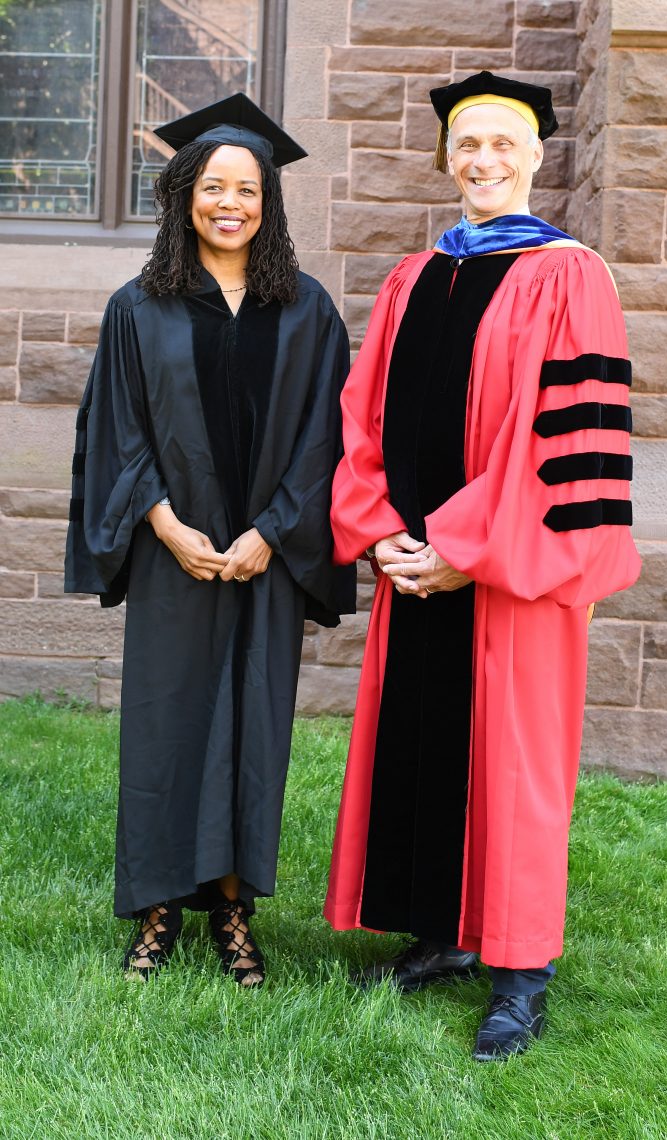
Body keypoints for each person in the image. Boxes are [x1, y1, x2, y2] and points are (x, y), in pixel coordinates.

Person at [325, 72, 641, 1058]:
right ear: (445, 159)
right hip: (412, 566)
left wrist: (463, 553)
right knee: (422, 741)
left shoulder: (569, 275)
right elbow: (362, 418)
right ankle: (438, 936)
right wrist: (378, 531)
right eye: (467, 145)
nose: (484, 162)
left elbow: (565, 448)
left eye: (504, 144)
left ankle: (518, 970)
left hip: (510, 571)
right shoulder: (415, 279)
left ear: (536, 158)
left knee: (514, 765)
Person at [65, 93, 355, 985]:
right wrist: (161, 520)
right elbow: (117, 429)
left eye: (249, 190)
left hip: (264, 562)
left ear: (268, 205)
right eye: (213, 186)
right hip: (172, 555)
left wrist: (273, 533)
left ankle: (231, 906)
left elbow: (326, 438)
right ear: (184, 191)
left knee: (251, 731)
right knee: (165, 727)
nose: (231, 203)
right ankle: (157, 908)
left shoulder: (306, 311)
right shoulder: (139, 308)